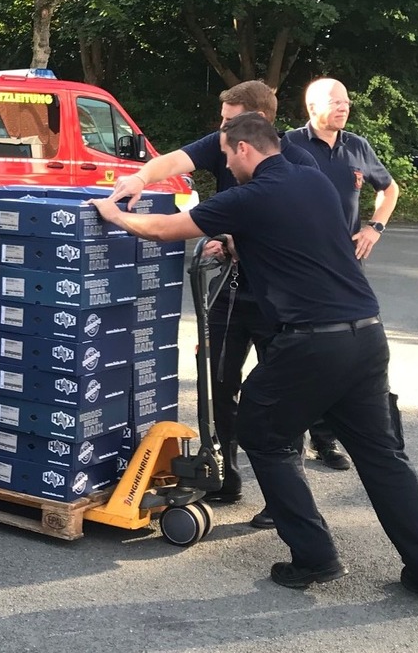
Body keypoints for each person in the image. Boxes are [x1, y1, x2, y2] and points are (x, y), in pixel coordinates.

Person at [91, 112, 418, 609]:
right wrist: (241, 245)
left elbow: (162, 230)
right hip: (366, 334)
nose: (223, 163)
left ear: (243, 149)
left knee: (263, 432)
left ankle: (314, 555)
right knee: (383, 457)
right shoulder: (313, 180)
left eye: (226, 155)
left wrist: (116, 216)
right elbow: (295, 240)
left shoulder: (249, 196)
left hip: (310, 343)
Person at [110, 80, 329, 524]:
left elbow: (300, 228)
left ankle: (282, 497)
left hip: (278, 301)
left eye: (229, 124)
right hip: (231, 291)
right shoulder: (221, 141)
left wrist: (238, 239)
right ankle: (226, 474)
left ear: (258, 123)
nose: (220, 133)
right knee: (219, 383)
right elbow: (175, 160)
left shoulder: (299, 164)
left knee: (279, 400)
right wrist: (138, 177)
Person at [285, 77, 400, 262]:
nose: (344, 108)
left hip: (347, 262)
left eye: (346, 102)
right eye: (335, 102)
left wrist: (375, 227)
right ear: (312, 107)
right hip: (298, 263)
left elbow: (389, 189)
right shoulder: (287, 145)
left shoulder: (357, 146)